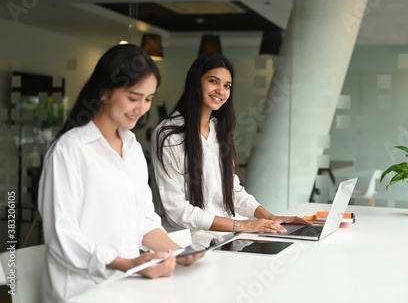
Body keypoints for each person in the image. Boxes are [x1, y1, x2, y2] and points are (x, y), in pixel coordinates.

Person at [38, 44, 203, 303]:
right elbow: (62, 236)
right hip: (81, 293)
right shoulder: (69, 150)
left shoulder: (133, 148)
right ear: (104, 92)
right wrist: (127, 263)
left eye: (148, 99)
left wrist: (179, 252)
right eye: (133, 97)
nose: (142, 108)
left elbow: (144, 220)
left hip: (126, 288)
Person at [151, 53, 310, 233]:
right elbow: (177, 210)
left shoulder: (218, 130)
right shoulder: (168, 136)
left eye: (227, 86)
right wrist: (241, 226)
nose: (221, 90)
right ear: (196, 82)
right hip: (192, 239)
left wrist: (270, 218)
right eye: (213, 81)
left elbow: (233, 191)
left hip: (227, 233)